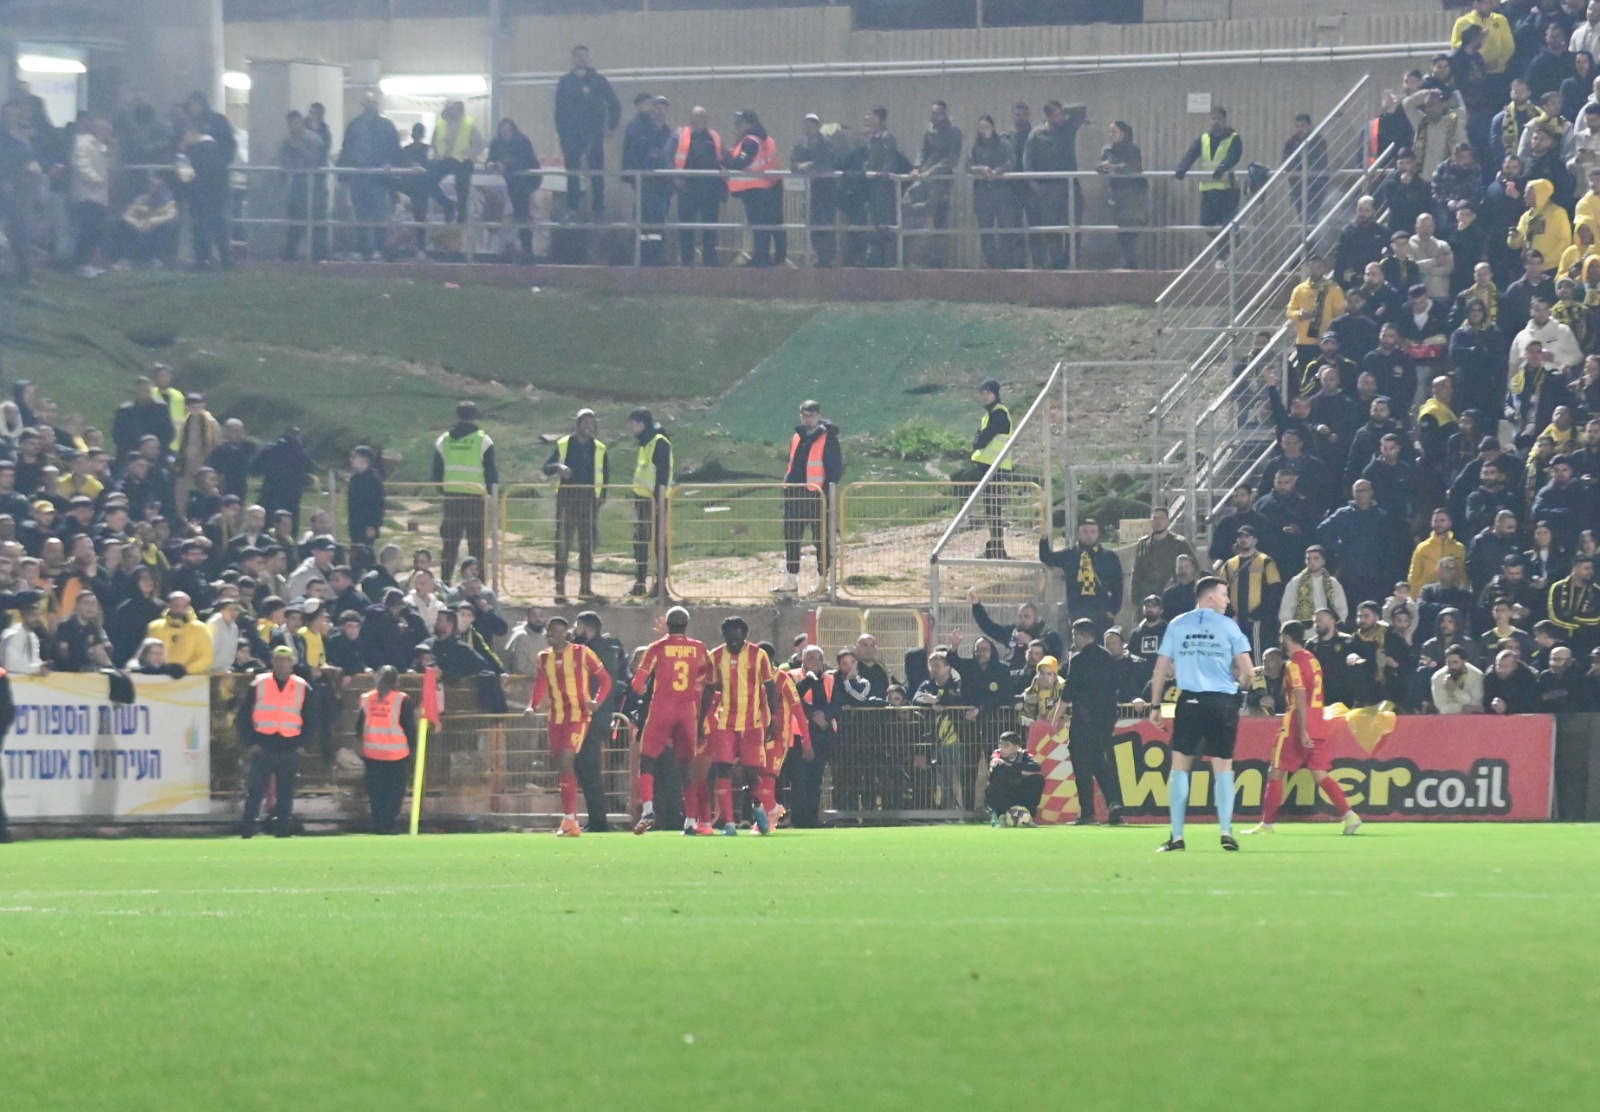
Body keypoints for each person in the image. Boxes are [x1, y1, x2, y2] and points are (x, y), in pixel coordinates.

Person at [1148, 576, 1254, 853]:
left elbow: (1160, 668)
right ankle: (1226, 831)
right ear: (1210, 597)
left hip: (1190, 701)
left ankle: (1177, 836)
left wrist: (1155, 706)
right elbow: (1248, 671)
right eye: (1224, 594)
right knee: (1223, 768)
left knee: (1180, 767)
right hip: (1222, 702)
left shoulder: (1177, 624)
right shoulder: (1229, 625)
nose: (1227, 600)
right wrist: (1240, 690)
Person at [1242, 621, 1363, 836]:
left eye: (1282, 637)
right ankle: (1350, 815)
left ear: (1287, 638)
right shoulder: (1312, 659)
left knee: (1276, 771)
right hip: (1318, 722)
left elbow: (1299, 695)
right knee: (1319, 773)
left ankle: (1267, 825)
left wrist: (1303, 730)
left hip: (1297, 726)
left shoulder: (1294, 664)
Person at [630, 606, 714, 835]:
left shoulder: (657, 648)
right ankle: (690, 821)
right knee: (687, 766)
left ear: (667, 624)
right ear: (686, 625)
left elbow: (637, 684)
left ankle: (648, 810)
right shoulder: (699, 648)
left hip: (661, 709)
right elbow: (710, 680)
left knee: (647, 759)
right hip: (687, 711)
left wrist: (641, 687)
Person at [528, 615, 612, 837]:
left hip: (578, 716)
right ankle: (571, 820)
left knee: (567, 759)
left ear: (565, 632)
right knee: (562, 766)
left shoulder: (582, 652)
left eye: (557, 630)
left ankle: (569, 819)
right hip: (556, 718)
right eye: (549, 630)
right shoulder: (543, 658)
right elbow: (541, 683)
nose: (552, 634)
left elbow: (606, 679)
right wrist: (532, 705)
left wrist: (597, 702)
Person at [700, 616, 779, 836]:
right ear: (724, 636)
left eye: (737, 637)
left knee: (751, 774)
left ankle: (758, 806)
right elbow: (709, 690)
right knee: (723, 769)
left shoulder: (759, 655)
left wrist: (773, 718)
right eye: (730, 638)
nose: (734, 642)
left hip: (752, 724)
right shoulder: (715, 656)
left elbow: (770, 687)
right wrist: (700, 720)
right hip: (725, 723)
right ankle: (729, 824)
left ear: (745, 635)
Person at [236, 646, 313, 838]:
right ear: (272, 661)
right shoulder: (259, 683)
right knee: (255, 792)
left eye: (286, 660)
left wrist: (302, 744)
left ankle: (282, 831)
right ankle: (247, 830)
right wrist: (251, 742)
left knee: (286, 794)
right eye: (278, 659)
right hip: (263, 745)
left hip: (289, 746)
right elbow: (243, 716)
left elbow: (312, 719)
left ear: (292, 663)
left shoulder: (302, 686)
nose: (282, 664)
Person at [1060, 618, 1124, 826]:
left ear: (1081, 635)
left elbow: (1069, 691)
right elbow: (1116, 685)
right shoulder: (1107, 657)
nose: (1074, 640)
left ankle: (1088, 813)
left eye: (1074, 636)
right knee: (1100, 763)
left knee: (1082, 767)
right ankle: (1114, 803)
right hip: (1106, 720)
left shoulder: (1078, 660)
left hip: (1084, 720)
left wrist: (1055, 717)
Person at [543, 409, 609, 603]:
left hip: (589, 502)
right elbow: (546, 468)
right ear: (578, 424)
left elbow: (605, 476)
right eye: (584, 422)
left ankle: (585, 589)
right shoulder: (564, 444)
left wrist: (601, 498)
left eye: (591, 422)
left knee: (587, 546)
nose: (588, 426)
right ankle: (560, 591)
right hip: (567, 501)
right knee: (562, 545)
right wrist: (558, 467)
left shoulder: (600, 448)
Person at [778, 400, 843, 595]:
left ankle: (823, 582)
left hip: (817, 496)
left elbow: (835, 470)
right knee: (792, 538)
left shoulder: (828, 438)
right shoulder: (797, 437)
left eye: (811, 415)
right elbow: (792, 465)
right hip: (795, 495)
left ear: (818, 416)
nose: (808, 419)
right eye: (805, 415)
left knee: (821, 539)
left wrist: (825, 493)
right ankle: (791, 581)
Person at [432, 402, 497, 587]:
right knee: (476, 545)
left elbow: (437, 470)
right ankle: (479, 584)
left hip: (452, 498)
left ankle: (445, 584)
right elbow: (491, 471)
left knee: (450, 544)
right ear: (475, 416)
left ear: (458, 415)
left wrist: (442, 490)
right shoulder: (483, 440)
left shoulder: (444, 440)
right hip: (475, 497)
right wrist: (492, 493)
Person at [555, 46, 621, 220]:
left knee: (596, 172)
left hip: (593, 134)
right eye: (578, 55)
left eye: (584, 55)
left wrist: (611, 126)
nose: (582, 58)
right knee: (572, 172)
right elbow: (558, 112)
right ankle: (572, 208)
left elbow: (615, 104)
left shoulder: (598, 80)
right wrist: (562, 135)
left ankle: (599, 209)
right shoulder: (565, 82)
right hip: (571, 136)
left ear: (588, 57)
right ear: (573, 58)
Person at [337, 90, 403, 261]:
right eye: (368, 101)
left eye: (372, 101)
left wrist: (392, 166)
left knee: (379, 216)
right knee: (362, 216)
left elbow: (395, 151)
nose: (370, 105)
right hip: (361, 178)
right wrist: (342, 178)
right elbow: (346, 151)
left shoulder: (378, 126)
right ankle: (366, 251)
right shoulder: (357, 126)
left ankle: (378, 250)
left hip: (378, 178)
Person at [1022, 100, 1087, 269]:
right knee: (1052, 228)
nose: (1061, 118)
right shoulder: (1037, 134)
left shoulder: (1068, 128)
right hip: (1049, 187)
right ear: (1048, 116)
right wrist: (1034, 184)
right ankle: (1058, 262)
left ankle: (1074, 260)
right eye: (1056, 115)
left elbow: (1082, 111)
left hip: (1070, 185)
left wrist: (1065, 108)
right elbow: (1027, 161)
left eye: (1061, 114)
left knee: (1075, 223)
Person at [354, 665, 416, 835]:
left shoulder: (367, 698)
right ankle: (388, 825)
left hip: (372, 754)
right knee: (394, 794)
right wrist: (412, 748)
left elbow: (359, 727)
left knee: (376, 793)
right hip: (397, 755)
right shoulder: (402, 700)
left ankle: (378, 824)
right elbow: (409, 728)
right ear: (396, 680)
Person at [1175, 106, 1243, 257]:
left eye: (1219, 119)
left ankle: (1223, 255)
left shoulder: (1233, 137)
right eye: (1213, 119)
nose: (1216, 122)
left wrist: (1223, 167)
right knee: (1206, 223)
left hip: (1227, 190)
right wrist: (1182, 168)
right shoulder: (1204, 138)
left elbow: (1234, 155)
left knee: (1226, 224)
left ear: (1225, 120)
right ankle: (1230, 242)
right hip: (1209, 190)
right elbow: (1191, 154)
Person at [722, 109, 785, 267]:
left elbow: (740, 163)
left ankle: (761, 259)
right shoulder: (766, 139)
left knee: (759, 226)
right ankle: (776, 258)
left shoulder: (750, 141)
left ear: (747, 124)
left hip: (755, 189)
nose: (737, 127)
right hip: (771, 185)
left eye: (739, 123)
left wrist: (725, 158)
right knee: (771, 225)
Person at [1039, 518, 1123, 634]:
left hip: (1101, 611)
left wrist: (1113, 609)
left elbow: (1118, 585)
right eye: (1085, 531)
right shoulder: (1070, 554)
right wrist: (1044, 537)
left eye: (1093, 531)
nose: (1089, 535)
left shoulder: (1109, 557)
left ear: (1098, 533)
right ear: (1078, 533)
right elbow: (1047, 557)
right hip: (1077, 610)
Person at [908, 100, 962, 268]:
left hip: (942, 179)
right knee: (910, 205)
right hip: (925, 179)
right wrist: (917, 167)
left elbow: (952, 159)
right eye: (933, 113)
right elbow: (923, 151)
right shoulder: (929, 130)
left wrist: (931, 172)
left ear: (944, 114)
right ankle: (914, 256)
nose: (935, 116)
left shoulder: (953, 132)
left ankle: (938, 259)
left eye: (938, 113)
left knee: (940, 218)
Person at [965, 377, 1013, 559]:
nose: (984, 396)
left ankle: (997, 547)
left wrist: (978, 439)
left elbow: (981, 440)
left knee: (993, 508)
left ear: (995, 394)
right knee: (992, 508)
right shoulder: (992, 414)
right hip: (992, 465)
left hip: (994, 467)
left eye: (988, 393)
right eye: (982, 393)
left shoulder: (998, 413)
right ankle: (995, 546)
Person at [674, 106, 725, 265]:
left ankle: (710, 260)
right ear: (691, 117)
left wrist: (724, 167)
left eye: (703, 116)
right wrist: (674, 176)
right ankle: (687, 260)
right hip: (688, 187)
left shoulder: (714, 136)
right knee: (687, 226)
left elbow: (722, 157)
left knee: (710, 226)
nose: (700, 119)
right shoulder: (680, 134)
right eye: (697, 116)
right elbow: (667, 156)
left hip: (710, 188)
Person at [486, 119, 541, 262]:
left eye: (508, 130)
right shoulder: (497, 142)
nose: (506, 134)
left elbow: (525, 162)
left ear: (513, 130)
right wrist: (491, 164)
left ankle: (527, 252)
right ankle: (516, 251)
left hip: (523, 183)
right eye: (503, 131)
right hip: (508, 184)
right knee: (516, 216)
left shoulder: (522, 141)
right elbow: (490, 159)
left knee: (522, 215)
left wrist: (506, 167)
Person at [1097, 120, 1148, 269]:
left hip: (1132, 194)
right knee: (1120, 228)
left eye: (1114, 131)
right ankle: (1128, 261)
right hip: (1116, 193)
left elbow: (1133, 167)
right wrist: (1102, 167)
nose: (1111, 135)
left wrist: (1114, 167)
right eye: (1110, 132)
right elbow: (1099, 165)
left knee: (1129, 228)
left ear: (1123, 134)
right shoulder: (1108, 149)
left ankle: (1131, 262)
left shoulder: (1132, 149)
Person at [793, 112, 840, 268]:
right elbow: (794, 163)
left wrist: (813, 167)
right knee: (813, 223)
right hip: (810, 190)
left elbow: (829, 162)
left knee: (827, 223)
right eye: (805, 125)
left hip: (826, 190)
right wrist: (801, 167)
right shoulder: (801, 143)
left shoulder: (826, 143)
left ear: (817, 126)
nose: (807, 128)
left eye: (811, 125)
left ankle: (828, 257)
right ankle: (818, 255)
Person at [969, 114, 1016, 269]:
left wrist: (997, 171)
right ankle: (992, 264)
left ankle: (1006, 264)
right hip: (983, 194)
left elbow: (1011, 161)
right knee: (986, 231)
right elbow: (968, 165)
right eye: (981, 127)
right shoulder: (976, 146)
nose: (984, 130)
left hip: (1002, 193)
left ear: (993, 127)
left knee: (1006, 229)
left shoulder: (1003, 143)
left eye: (986, 127)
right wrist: (981, 169)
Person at [429, 101, 481, 226]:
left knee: (462, 189)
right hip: (444, 160)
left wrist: (468, 154)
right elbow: (434, 142)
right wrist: (436, 154)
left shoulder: (469, 124)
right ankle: (448, 205)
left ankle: (461, 221)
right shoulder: (440, 124)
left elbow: (479, 144)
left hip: (463, 161)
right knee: (428, 181)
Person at [985, 731, 1044, 826]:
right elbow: (996, 765)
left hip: (1019, 794)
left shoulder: (1024, 755)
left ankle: (1028, 816)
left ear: (1017, 747)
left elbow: (1036, 766)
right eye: (1000, 744)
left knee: (1038, 778)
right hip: (1004, 795)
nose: (1002, 748)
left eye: (1006, 745)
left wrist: (1010, 767)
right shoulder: (997, 754)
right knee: (996, 776)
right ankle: (1000, 815)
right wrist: (1021, 771)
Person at [1432, 645, 1487, 713]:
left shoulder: (1477, 675)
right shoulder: (1438, 677)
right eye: (1448, 662)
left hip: (1471, 718)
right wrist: (1463, 708)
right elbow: (1442, 708)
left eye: (1455, 662)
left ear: (1464, 662)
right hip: (1447, 718)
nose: (1451, 666)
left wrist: (1455, 690)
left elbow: (1476, 705)